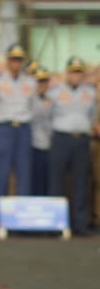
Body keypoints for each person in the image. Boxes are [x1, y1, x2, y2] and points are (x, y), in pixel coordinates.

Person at [0, 44, 36, 229]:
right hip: (4, 128)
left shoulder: (30, 82)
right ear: (7, 61)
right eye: (13, 59)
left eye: (19, 59)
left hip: (23, 128)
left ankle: (22, 223)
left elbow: (32, 106)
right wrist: (2, 121)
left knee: (24, 175)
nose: (16, 63)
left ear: (23, 61)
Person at [48, 56, 97, 236]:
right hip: (61, 138)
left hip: (81, 140)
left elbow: (92, 115)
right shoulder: (55, 92)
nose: (75, 76)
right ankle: (55, 224)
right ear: (67, 73)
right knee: (56, 182)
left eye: (79, 72)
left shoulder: (90, 93)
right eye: (72, 72)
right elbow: (48, 117)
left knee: (81, 182)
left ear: (82, 75)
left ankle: (80, 224)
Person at [30, 68, 53, 195]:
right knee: (34, 181)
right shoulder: (30, 99)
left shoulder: (50, 99)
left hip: (48, 145)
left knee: (47, 181)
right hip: (33, 145)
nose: (42, 85)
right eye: (39, 82)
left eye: (45, 82)